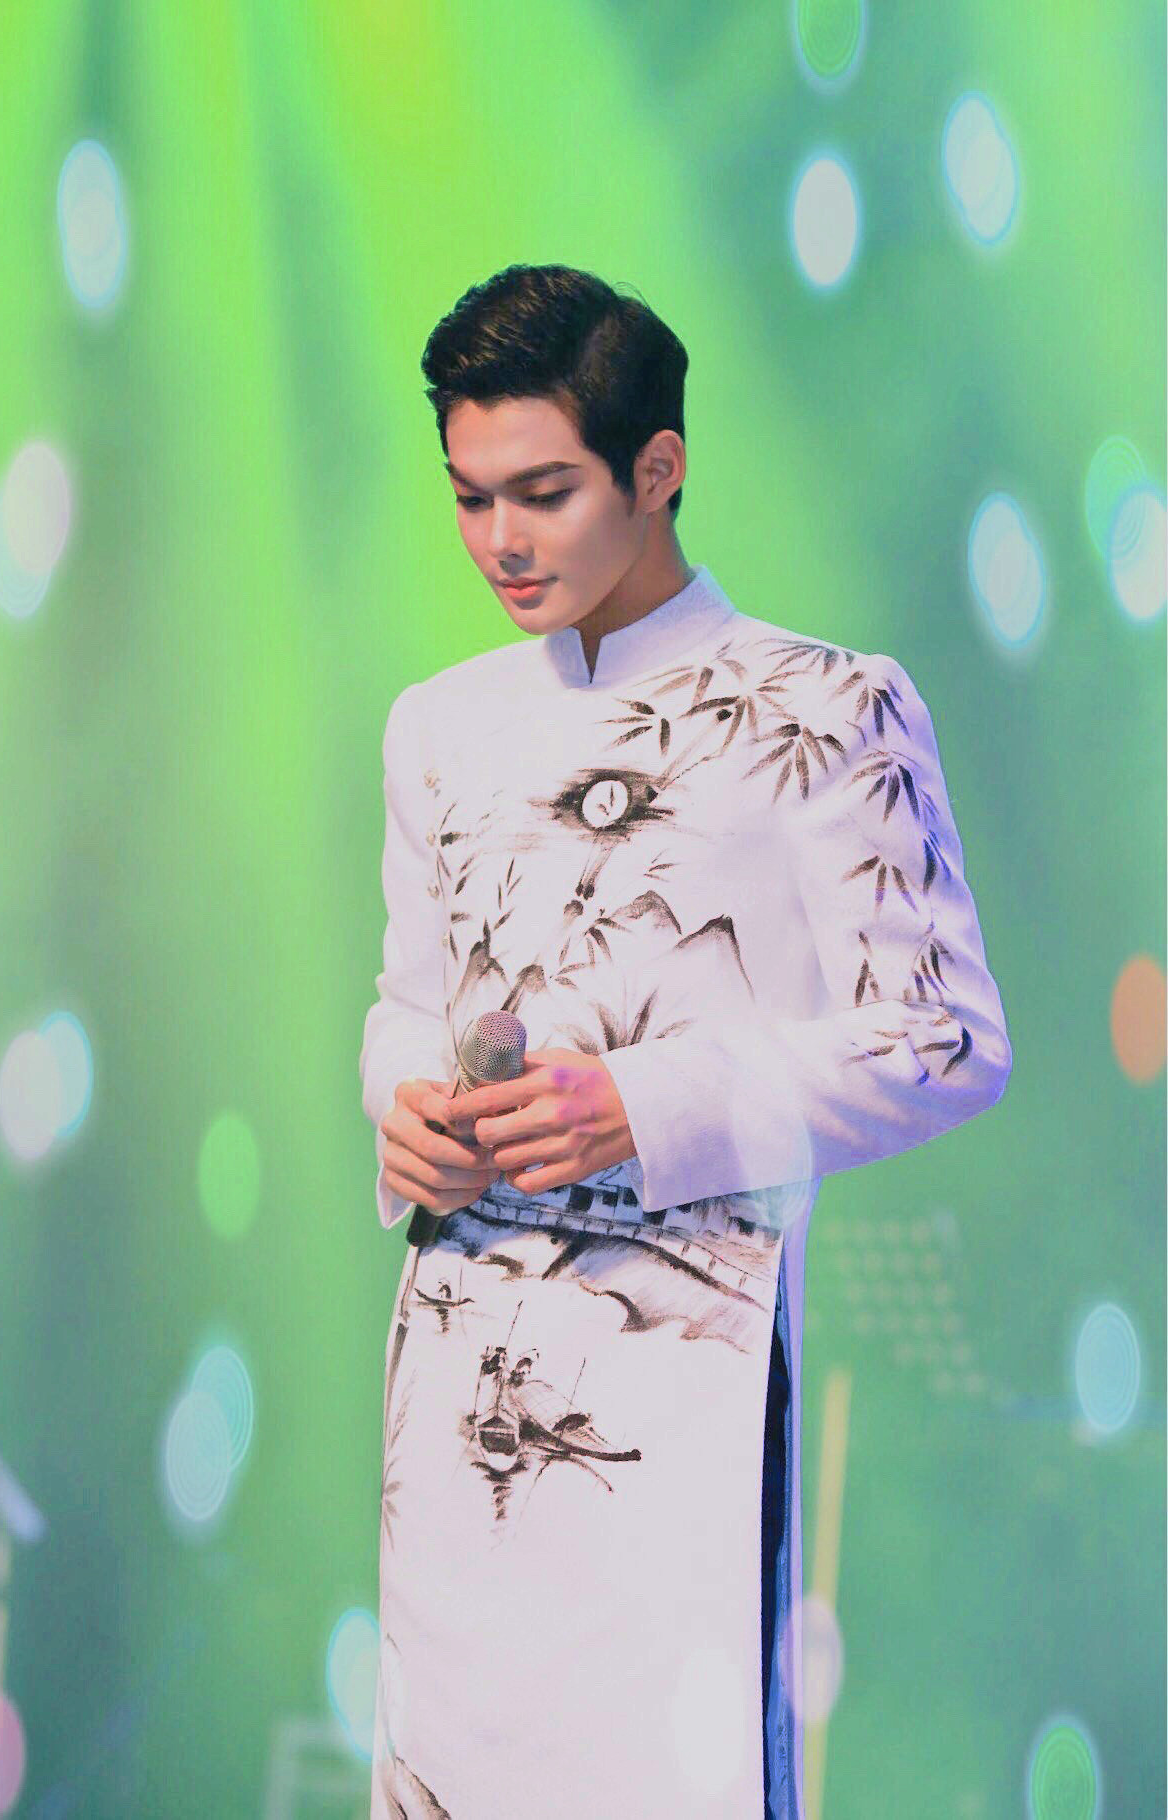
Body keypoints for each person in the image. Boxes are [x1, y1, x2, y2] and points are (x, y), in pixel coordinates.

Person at [359, 263, 1012, 1819]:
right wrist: (402, 1105)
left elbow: (944, 1038)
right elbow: (408, 998)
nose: (500, 542)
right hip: (455, 1359)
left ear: (657, 467)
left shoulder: (825, 708)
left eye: (544, 493)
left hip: (679, 1376)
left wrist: (641, 1105)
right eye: (468, 497)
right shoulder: (438, 726)